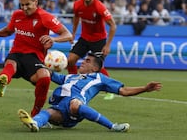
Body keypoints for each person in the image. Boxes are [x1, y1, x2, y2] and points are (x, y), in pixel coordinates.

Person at [18, 52, 162, 132]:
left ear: (94, 68)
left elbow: (123, 90)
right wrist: (42, 66)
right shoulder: (71, 76)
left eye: (87, 61)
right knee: (48, 112)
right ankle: (35, 123)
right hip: (60, 107)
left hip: (75, 106)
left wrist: (144, 88)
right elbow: (49, 75)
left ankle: (113, 126)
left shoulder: (100, 78)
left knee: (74, 103)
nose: (83, 62)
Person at [0, 0, 73, 117]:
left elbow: (68, 35)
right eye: (22, 5)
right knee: (11, 64)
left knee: (44, 78)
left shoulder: (45, 17)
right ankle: (3, 81)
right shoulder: (17, 15)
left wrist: (53, 38)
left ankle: (35, 115)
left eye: (27, 4)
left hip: (34, 57)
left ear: (36, 2)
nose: (24, 8)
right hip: (16, 53)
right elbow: (9, 30)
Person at [67, 0, 117, 100]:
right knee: (70, 61)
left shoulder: (99, 7)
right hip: (84, 38)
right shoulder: (77, 5)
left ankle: (110, 90)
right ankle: (72, 84)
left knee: (97, 67)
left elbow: (113, 25)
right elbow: (76, 18)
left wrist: (108, 45)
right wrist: (73, 33)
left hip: (99, 40)